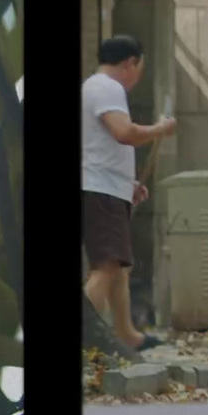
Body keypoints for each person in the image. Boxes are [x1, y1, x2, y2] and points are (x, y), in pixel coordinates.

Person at [83, 35, 177, 352]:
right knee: (107, 267)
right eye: (139, 69)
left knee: (120, 267)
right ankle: (85, 336)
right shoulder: (106, 88)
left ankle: (126, 335)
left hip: (109, 187)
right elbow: (124, 133)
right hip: (101, 190)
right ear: (130, 63)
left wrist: (129, 185)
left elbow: (102, 146)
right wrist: (159, 130)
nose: (138, 76)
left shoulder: (97, 89)